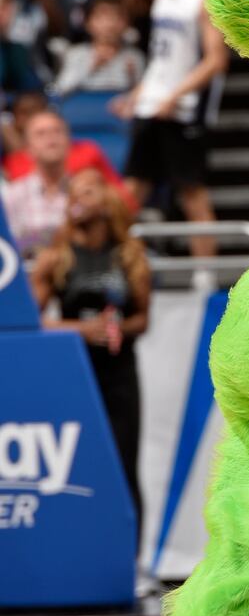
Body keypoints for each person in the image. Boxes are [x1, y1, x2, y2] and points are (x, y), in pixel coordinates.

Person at [31, 169, 150, 544]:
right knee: (76, 468)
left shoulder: (130, 254)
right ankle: (80, 549)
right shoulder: (56, 257)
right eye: (72, 195)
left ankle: (131, 559)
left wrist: (118, 329)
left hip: (119, 373)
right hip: (74, 374)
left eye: (86, 192)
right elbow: (31, 321)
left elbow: (142, 318)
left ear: (106, 201)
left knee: (123, 463)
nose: (76, 200)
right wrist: (82, 330)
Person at [116, 0, 227, 260]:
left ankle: (205, 281)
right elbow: (162, 57)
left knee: (192, 196)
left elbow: (215, 61)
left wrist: (174, 95)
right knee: (131, 191)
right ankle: (116, 267)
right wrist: (139, 93)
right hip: (154, 106)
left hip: (183, 111)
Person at [2, 107, 134, 251]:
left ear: (69, 141)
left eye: (57, 131)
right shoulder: (12, 196)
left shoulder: (86, 194)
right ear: (28, 147)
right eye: (41, 134)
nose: (51, 139)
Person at [54, 0, 145, 96]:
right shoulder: (76, 54)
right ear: (88, 23)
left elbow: (142, 92)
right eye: (102, 17)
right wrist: (91, 66)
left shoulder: (135, 56)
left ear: (127, 23)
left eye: (117, 17)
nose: (110, 24)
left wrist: (131, 77)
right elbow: (60, 89)